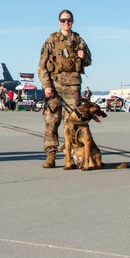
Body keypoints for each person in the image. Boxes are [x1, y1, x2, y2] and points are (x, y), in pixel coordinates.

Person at [37, 9, 92, 168]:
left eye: (69, 20)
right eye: (63, 20)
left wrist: (84, 57)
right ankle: (51, 155)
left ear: (72, 21)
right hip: (55, 86)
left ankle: (73, 156)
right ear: (59, 21)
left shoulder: (79, 40)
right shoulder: (51, 40)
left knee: (73, 124)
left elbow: (89, 61)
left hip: (73, 87)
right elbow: (42, 66)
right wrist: (47, 86)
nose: (66, 23)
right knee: (51, 122)